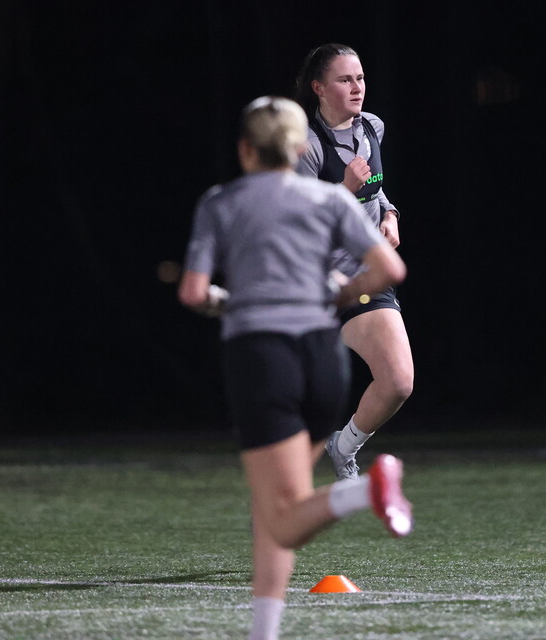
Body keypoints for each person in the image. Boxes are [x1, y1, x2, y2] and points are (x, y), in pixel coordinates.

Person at [178, 96, 412, 640]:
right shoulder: (327, 200)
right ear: (298, 147)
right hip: (322, 357)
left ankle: (368, 488)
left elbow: (193, 291)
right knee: (279, 504)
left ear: (244, 149)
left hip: (264, 357)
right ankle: (265, 631)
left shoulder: (221, 201)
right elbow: (390, 266)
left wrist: (221, 299)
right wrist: (342, 290)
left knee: (279, 511)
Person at [293, 43, 413, 481]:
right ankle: (274, 505)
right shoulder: (305, 146)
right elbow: (301, 227)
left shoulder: (371, 128)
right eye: (345, 79)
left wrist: (391, 214)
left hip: (364, 276)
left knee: (398, 382)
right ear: (319, 88)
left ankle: (343, 447)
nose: (357, 87)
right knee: (306, 399)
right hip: (317, 284)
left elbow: (376, 188)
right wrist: (343, 189)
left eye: (360, 77)